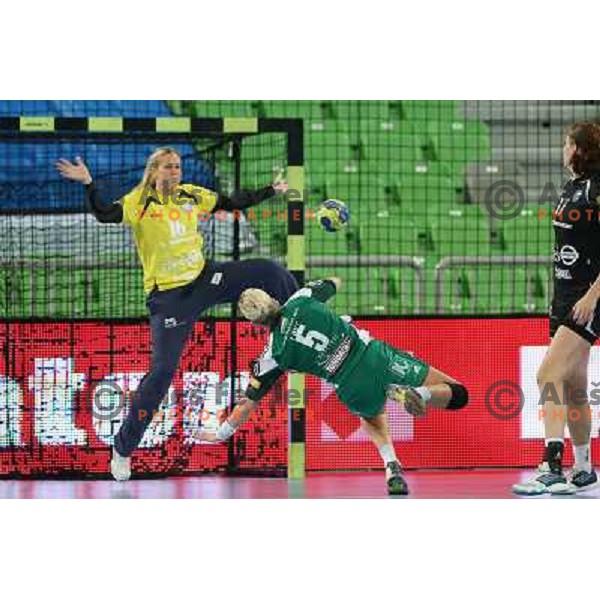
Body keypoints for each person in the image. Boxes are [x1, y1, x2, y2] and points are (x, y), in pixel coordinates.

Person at [56, 147, 298, 481]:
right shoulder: (139, 201)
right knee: (161, 374)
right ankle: (123, 449)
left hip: (204, 279)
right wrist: (88, 183)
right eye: (169, 166)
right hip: (170, 298)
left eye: (178, 166)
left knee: (270, 271)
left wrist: (270, 190)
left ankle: (303, 322)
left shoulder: (191, 195)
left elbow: (231, 202)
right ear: (154, 170)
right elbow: (104, 214)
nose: (175, 171)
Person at [196, 278, 469, 495]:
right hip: (373, 355)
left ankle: (391, 464)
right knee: (458, 393)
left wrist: (220, 434)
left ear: (256, 324)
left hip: (349, 385)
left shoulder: (272, 356)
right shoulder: (301, 299)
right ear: (273, 299)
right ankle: (419, 393)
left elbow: (247, 403)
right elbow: (335, 281)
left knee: (372, 418)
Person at [513, 123, 600, 496]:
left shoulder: (598, 187)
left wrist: (592, 297)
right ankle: (583, 468)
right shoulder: (571, 187)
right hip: (564, 294)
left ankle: (550, 463)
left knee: (546, 374)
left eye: (567, 143)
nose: (562, 148)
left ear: (579, 149)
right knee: (574, 386)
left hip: (589, 297)